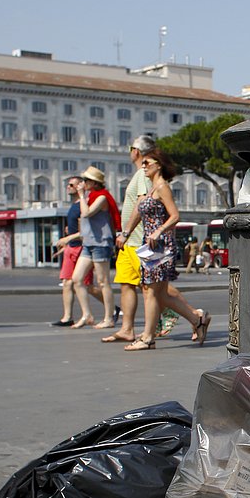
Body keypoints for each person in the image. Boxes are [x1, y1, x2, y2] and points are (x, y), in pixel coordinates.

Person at [121, 147, 211, 351]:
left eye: (147, 163)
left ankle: (147, 338)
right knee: (159, 294)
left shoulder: (162, 187)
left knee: (151, 292)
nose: (143, 167)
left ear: (158, 165)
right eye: (142, 163)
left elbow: (175, 215)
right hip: (151, 246)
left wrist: (158, 231)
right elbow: (138, 211)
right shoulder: (151, 188)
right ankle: (197, 319)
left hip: (161, 246)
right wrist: (126, 233)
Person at [101, 137, 155, 344]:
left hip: (136, 239)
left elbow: (142, 202)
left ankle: (195, 316)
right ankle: (127, 329)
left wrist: (125, 231)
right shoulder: (138, 174)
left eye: (130, 147)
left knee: (151, 288)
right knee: (126, 284)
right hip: (129, 241)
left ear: (136, 151)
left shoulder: (142, 173)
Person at [53, 167, 118, 328]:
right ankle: (87, 314)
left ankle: (109, 318)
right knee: (76, 279)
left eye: (86, 181)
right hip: (88, 243)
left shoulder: (102, 197)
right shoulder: (90, 197)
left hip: (101, 243)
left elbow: (86, 213)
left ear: (94, 183)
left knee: (103, 282)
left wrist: (82, 196)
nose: (83, 183)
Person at [51, 176, 103, 326]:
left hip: (82, 248)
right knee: (67, 283)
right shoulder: (73, 205)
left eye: (71, 184)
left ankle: (112, 308)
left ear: (81, 186)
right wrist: (66, 245)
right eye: (67, 184)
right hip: (71, 248)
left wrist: (67, 239)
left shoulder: (84, 205)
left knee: (88, 286)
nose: (68, 187)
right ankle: (67, 317)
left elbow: (85, 231)